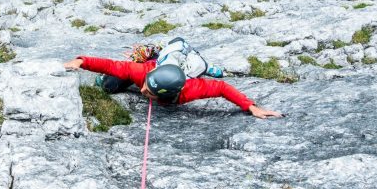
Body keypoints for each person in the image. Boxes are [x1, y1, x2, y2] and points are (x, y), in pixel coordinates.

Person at [63, 55, 283, 119]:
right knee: (110, 84)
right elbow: (111, 64)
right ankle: (150, 53)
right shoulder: (143, 73)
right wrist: (81, 61)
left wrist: (251, 107)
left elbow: (222, 88)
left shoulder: (191, 89)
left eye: (149, 92)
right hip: (152, 64)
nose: (142, 92)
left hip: (181, 66)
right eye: (145, 87)